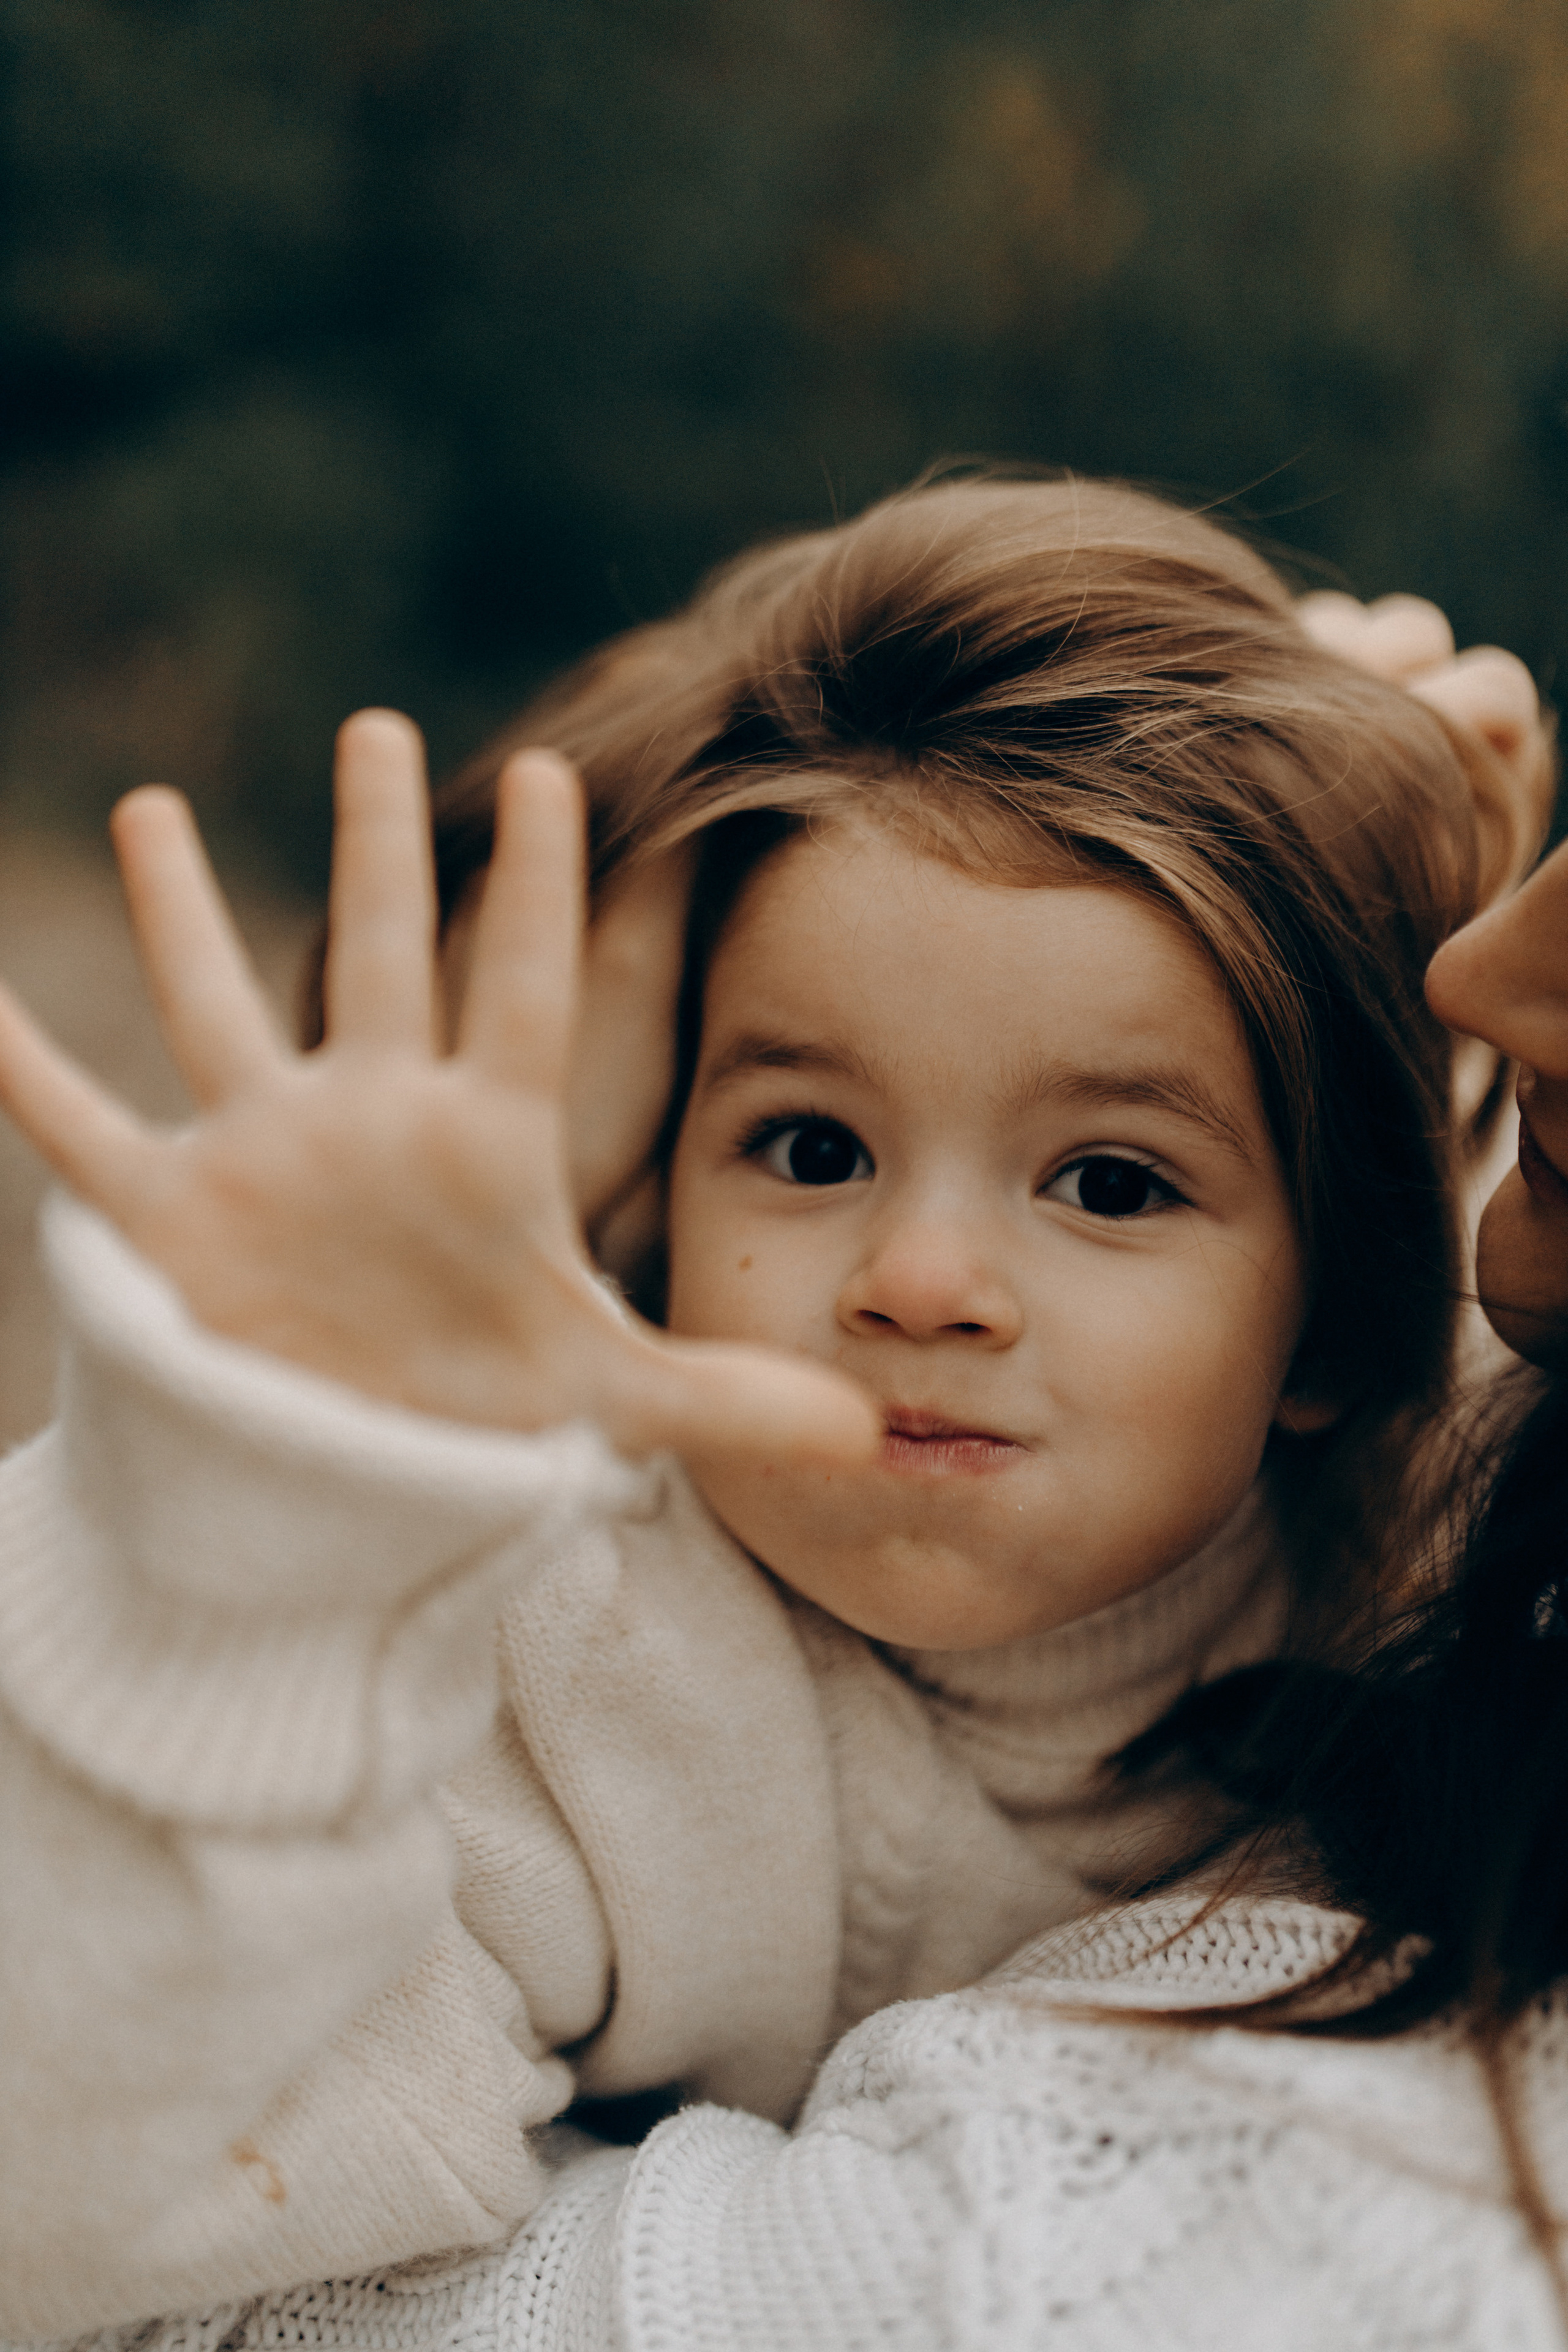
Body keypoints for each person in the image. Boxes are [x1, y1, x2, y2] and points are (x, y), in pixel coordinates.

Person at [0, 481, 1546, 2339]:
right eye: (811, 1149)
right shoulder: (558, 1658)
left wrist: (1408, 841)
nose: (924, 1278)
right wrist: (265, 1518)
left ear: (1337, 1335)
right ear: (646, 1220)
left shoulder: (1439, 1518)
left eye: (1109, 1184)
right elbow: (87, 2171)